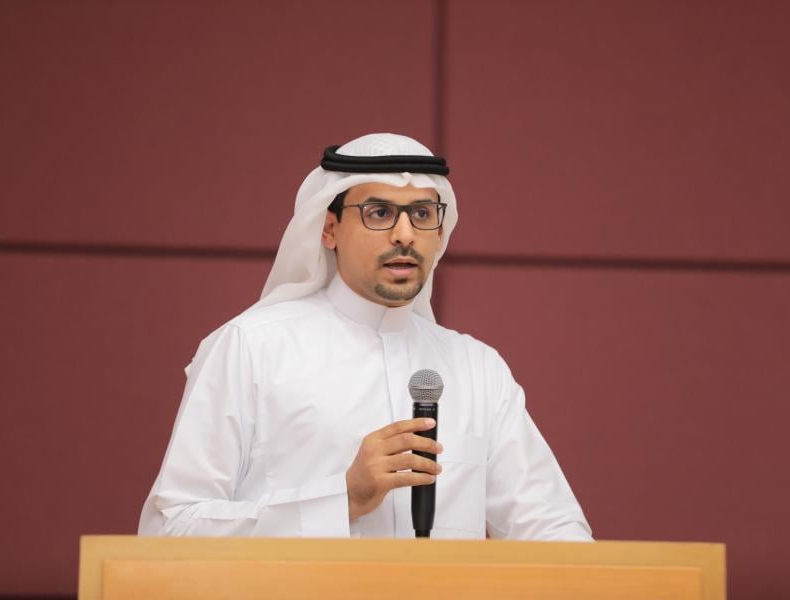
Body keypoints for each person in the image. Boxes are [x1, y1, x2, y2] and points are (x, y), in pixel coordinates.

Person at [138, 133, 592, 540]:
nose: (404, 235)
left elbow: (552, 529)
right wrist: (343, 499)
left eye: (422, 214)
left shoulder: (478, 368)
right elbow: (170, 528)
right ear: (329, 229)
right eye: (379, 213)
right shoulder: (251, 348)